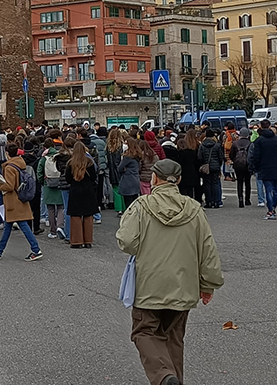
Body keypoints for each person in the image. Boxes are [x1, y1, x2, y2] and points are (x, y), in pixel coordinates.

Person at [116, 159, 224, 385]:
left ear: (154, 178)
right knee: (174, 338)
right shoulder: (193, 209)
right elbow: (207, 249)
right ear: (179, 180)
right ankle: (172, 379)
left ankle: (164, 376)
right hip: (183, 284)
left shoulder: (141, 206)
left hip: (149, 283)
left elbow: (127, 242)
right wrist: (208, 284)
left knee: (144, 332)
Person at [0, 143, 43, 261]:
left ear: (7, 153)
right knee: (9, 226)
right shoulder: (19, 164)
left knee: (22, 225)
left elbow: (9, 186)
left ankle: (36, 249)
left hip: (13, 200)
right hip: (19, 199)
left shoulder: (9, 167)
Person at [249, 120, 277, 220]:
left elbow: (256, 156)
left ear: (261, 127)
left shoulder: (259, 140)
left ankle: (271, 211)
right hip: (276, 166)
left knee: (269, 190)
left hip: (264, 167)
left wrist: (256, 167)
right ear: (270, 126)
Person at [64, 141, 98, 248]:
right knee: (88, 216)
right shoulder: (90, 162)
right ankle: (88, 241)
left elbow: (68, 179)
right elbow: (93, 177)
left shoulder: (70, 163)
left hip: (75, 190)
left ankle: (77, 242)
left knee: (76, 217)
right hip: (88, 190)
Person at [36, 139, 64, 238]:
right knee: (61, 207)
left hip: (48, 184)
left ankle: (53, 231)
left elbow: (39, 172)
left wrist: (43, 182)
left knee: (50, 208)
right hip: (59, 183)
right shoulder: (59, 156)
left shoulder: (44, 158)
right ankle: (60, 226)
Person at [198, 130, 224, 208]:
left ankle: (209, 201)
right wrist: (218, 165)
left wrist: (204, 164)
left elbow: (199, 157)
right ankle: (216, 201)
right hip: (215, 166)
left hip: (206, 167)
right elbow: (221, 157)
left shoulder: (202, 145)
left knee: (207, 184)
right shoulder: (217, 145)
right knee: (215, 184)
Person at [230, 128, 252, 207]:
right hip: (247, 164)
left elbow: (231, 155)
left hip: (238, 165)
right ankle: (247, 199)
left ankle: (240, 199)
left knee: (239, 182)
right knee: (247, 182)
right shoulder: (250, 143)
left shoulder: (235, 143)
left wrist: (235, 160)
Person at [118, 139, 142, 212]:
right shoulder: (138, 155)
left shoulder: (127, 157)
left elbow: (119, 168)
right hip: (136, 180)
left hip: (128, 181)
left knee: (128, 204)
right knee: (134, 202)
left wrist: (125, 170)